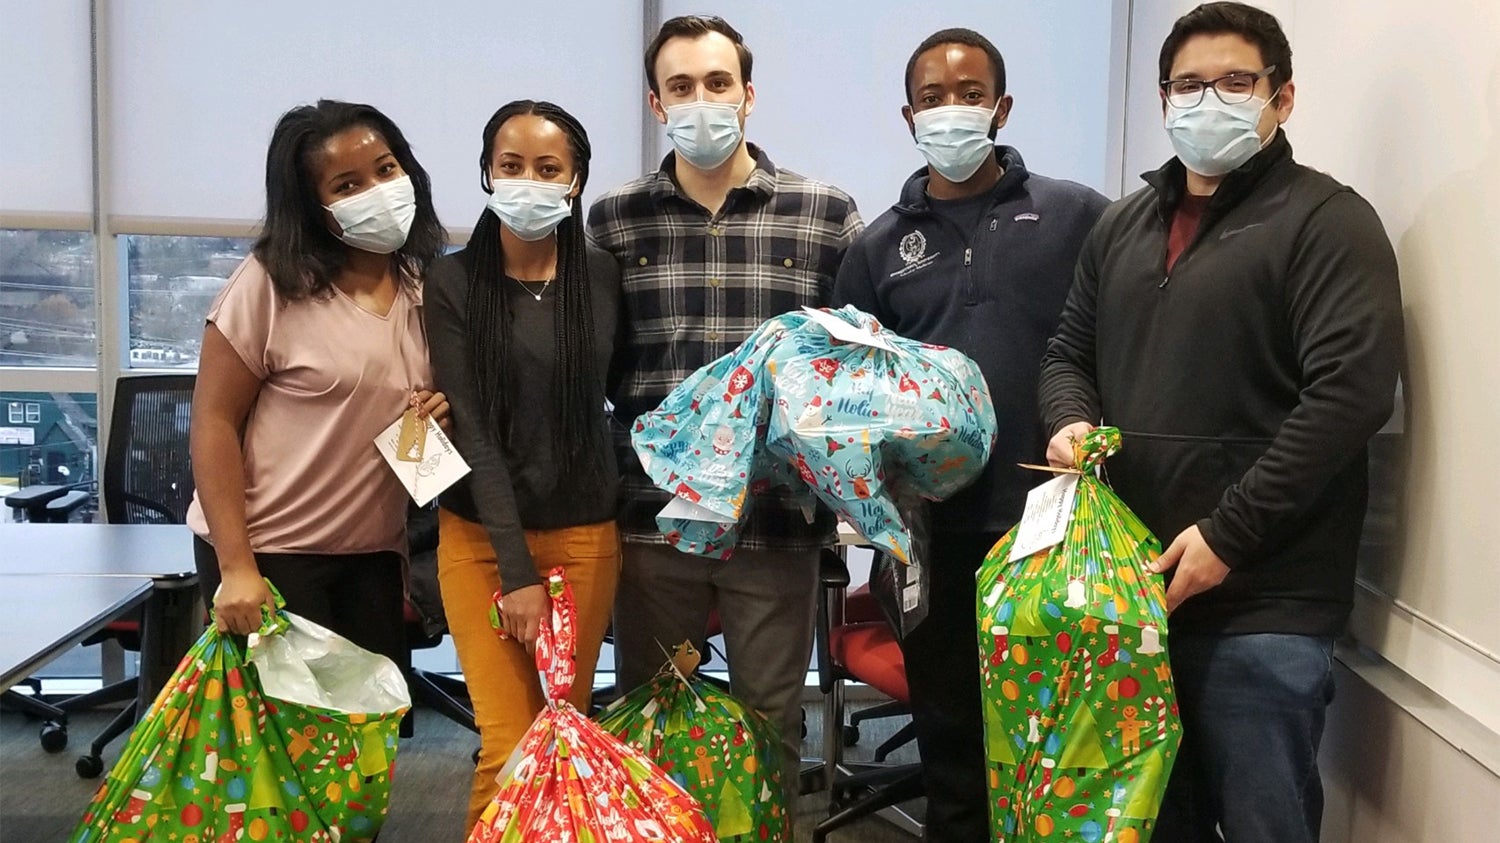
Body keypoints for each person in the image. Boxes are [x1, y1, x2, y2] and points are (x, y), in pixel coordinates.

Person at [1039, 4, 1403, 841]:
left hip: (1263, 604)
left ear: (1282, 99)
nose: (1210, 100)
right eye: (1189, 84)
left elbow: (1349, 394)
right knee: (1143, 823)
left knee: (1261, 822)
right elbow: (1067, 351)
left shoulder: (1328, 222)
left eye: (1237, 81)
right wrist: (1068, 420)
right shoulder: (1121, 226)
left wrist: (1229, 534)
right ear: (1163, 98)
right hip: (1128, 594)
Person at [832, 28, 1109, 842]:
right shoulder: (877, 248)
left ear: (1002, 106)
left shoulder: (1078, 216)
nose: (950, 111)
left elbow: (1110, 344)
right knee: (954, 751)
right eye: (932, 97)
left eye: (969, 93)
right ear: (907, 115)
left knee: (1059, 748)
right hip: (934, 539)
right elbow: (851, 395)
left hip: (1054, 533)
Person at [588, 14, 862, 810]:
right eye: (680, 87)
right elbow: (589, 362)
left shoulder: (825, 213)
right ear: (654, 102)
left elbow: (854, 372)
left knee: (769, 722)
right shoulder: (612, 221)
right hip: (652, 517)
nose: (699, 100)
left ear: (748, 94)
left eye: (716, 83)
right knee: (652, 715)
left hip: (773, 516)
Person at [188, 100, 449, 668]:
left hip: (375, 554)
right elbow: (213, 423)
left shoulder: (422, 285)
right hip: (270, 555)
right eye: (347, 184)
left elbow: (394, 429)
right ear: (313, 205)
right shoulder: (268, 285)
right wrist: (236, 566)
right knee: (285, 751)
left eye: (385, 169)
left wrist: (429, 427)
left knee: (366, 741)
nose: (377, 191)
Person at [424, 100, 621, 830]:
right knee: (508, 743)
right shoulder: (451, 283)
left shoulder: (600, 276)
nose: (528, 181)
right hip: (482, 542)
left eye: (548, 168)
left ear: (575, 182)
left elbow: (621, 393)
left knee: (564, 736)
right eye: (511, 166)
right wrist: (517, 576)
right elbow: (473, 433)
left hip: (585, 534)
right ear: (485, 173)